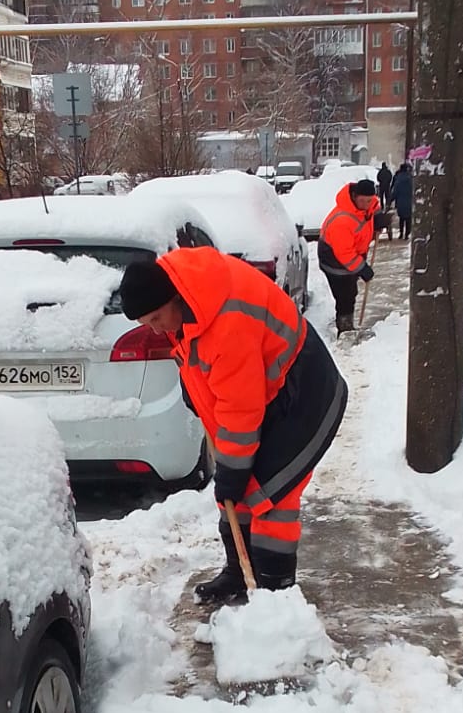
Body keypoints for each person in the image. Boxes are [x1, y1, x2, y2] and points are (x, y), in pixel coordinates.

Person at [119, 249, 348, 604]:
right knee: (236, 490)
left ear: (174, 298)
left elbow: (240, 408)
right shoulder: (188, 296)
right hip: (264, 392)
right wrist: (192, 387)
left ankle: (275, 591)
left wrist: (233, 469)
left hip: (303, 391)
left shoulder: (226, 323)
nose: (156, 329)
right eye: (146, 323)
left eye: (157, 317)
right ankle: (239, 573)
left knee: (271, 493)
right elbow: (201, 359)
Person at [317, 178, 386, 335]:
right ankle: (345, 328)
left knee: (351, 291)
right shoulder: (342, 221)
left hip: (352, 254)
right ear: (354, 196)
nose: (367, 204)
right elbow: (345, 253)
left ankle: (347, 321)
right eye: (363, 201)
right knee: (345, 295)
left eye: (370, 200)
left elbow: (374, 207)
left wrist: (378, 217)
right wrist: (362, 268)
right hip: (334, 260)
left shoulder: (367, 204)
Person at [391, 161, 413, 241]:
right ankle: (407, 234)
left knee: (401, 218)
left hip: (400, 201)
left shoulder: (398, 179)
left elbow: (395, 191)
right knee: (408, 219)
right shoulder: (411, 178)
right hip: (409, 201)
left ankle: (401, 233)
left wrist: (390, 200)